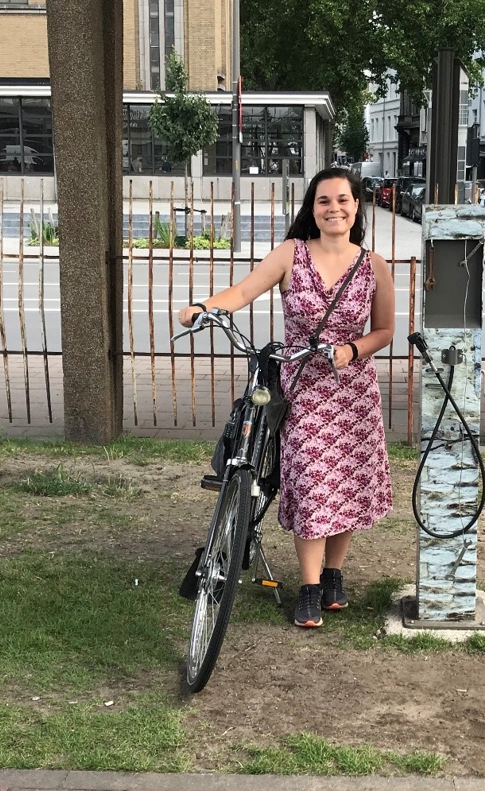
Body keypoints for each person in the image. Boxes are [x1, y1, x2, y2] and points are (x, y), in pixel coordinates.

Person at [177, 168, 395, 629]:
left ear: (356, 206)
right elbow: (242, 291)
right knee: (314, 482)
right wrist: (204, 307)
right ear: (312, 208)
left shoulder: (374, 266)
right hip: (302, 388)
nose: (333, 208)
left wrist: (352, 350)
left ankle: (334, 575)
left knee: (347, 484)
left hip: (353, 390)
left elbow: (384, 330)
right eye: (323, 201)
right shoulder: (291, 254)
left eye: (342, 200)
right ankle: (310, 587)